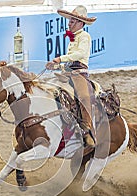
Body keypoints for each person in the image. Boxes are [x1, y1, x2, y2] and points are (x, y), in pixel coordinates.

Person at [46, 5, 97, 147]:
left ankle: (87, 129)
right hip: (68, 72)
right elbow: (70, 59)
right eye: (69, 21)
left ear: (81, 23)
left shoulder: (85, 36)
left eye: (72, 21)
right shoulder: (73, 38)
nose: (69, 23)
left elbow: (79, 54)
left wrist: (60, 59)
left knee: (83, 96)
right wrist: (56, 65)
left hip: (80, 73)